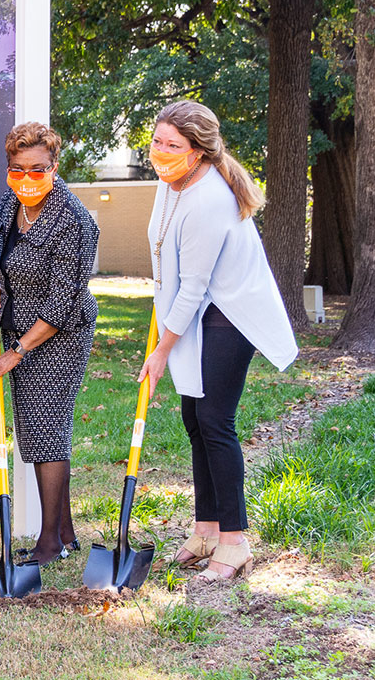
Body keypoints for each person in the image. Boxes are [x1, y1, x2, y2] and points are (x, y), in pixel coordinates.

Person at [136, 100, 297, 583]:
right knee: (193, 417)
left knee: (215, 420)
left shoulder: (209, 197)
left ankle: (235, 542)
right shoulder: (172, 182)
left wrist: (161, 349)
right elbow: (169, 257)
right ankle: (205, 529)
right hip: (200, 310)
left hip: (231, 313)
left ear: (200, 152)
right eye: (158, 141)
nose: (161, 151)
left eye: (173, 145)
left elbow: (196, 285)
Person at [0, 121, 99, 566]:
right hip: (20, 326)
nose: (26, 179)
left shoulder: (73, 220)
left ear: (54, 165)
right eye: (16, 169)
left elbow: (63, 301)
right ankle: (65, 533)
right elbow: (1, 244)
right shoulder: (16, 196)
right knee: (35, 430)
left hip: (58, 334)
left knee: (48, 432)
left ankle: (49, 543)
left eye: (36, 170)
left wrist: (16, 352)